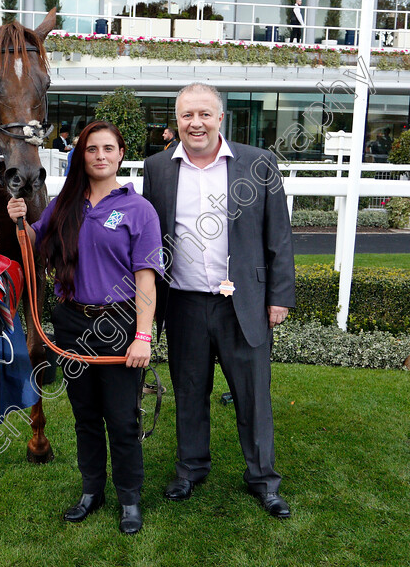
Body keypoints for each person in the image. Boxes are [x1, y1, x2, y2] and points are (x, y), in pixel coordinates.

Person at [142, 82, 296, 519]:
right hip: (185, 303)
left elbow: (278, 235)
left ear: (220, 118)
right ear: (177, 121)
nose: (196, 123)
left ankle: (263, 480)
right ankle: (190, 470)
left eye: (205, 114)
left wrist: (279, 296)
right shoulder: (157, 168)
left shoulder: (257, 163)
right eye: (188, 115)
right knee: (190, 393)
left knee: (253, 398)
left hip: (242, 304)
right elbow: (149, 238)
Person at [8, 120, 163, 535]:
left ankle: (129, 498)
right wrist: (20, 220)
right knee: (85, 417)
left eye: (108, 149)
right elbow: (33, 248)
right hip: (73, 323)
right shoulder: (64, 204)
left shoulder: (139, 209)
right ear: (81, 154)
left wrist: (143, 336)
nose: (99, 156)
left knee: (122, 418)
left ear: (120, 154)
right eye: (91, 149)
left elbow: (146, 278)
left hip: (118, 324)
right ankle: (92, 491)